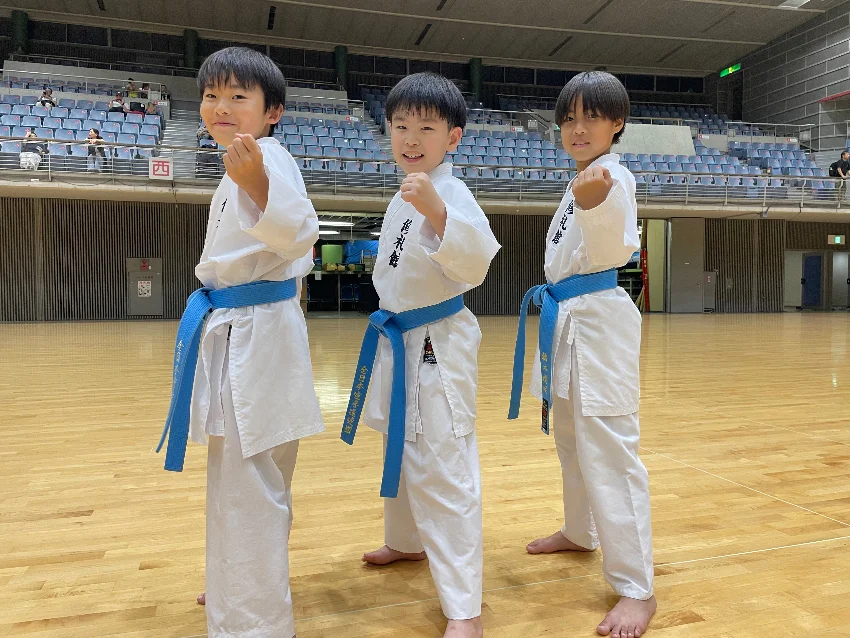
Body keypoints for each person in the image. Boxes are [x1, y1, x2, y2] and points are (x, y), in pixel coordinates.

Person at [156, 46, 323, 638]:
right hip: (251, 332)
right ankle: (241, 585)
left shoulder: (265, 160)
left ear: (272, 111)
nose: (220, 106)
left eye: (238, 96)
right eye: (211, 95)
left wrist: (254, 181)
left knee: (247, 483)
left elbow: (301, 232)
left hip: (255, 336)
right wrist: (246, 178)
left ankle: (253, 623)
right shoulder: (242, 163)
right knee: (253, 480)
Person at [340, 72, 500, 638]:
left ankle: (465, 608)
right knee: (403, 446)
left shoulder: (449, 193)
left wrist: (437, 212)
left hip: (435, 343)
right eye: (400, 126)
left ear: (452, 137)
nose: (411, 137)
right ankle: (406, 542)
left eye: (426, 128)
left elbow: (478, 260)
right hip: (399, 339)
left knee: (443, 463)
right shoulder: (405, 190)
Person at [508, 71, 656, 638]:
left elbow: (617, 245)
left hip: (598, 319)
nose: (576, 127)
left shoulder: (611, 176)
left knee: (611, 453)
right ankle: (579, 530)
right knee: (569, 436)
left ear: (616, 124)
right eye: (568, 118)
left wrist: (595, 206)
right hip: (567, 317)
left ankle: (637, 589)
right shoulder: (581, 179)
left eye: (589, 117)